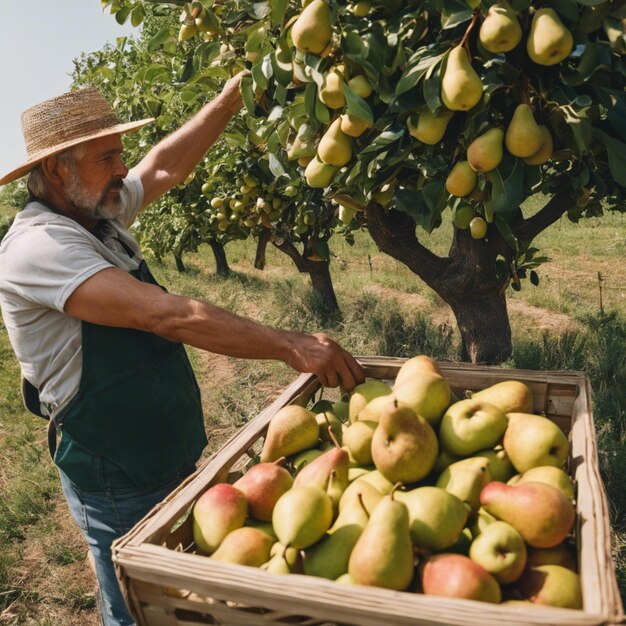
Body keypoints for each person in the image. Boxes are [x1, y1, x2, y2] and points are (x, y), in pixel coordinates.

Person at [0, 77, 365, 626]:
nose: (122, 168)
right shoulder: (40, 247)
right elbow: (162, 314)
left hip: (161, 448)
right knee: (140, 605)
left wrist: (234, 95)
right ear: (56, 170)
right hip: (114, 463)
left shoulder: (97, 212)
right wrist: (290, 345)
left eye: (120, 153)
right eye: (107, 157)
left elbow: (165, 166)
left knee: (182, 599)